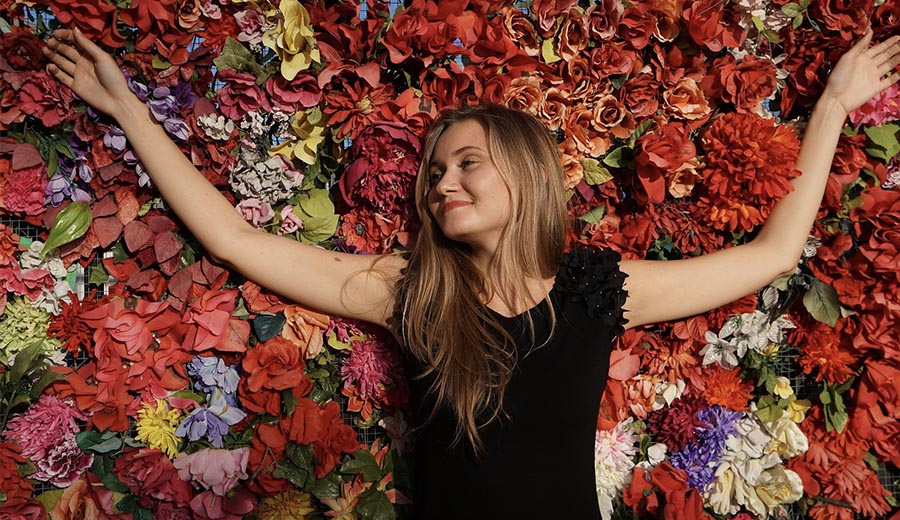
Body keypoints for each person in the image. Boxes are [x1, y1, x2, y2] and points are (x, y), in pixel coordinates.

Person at [43, 26, 900, 519]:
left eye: (466, 165)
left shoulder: (599, 291)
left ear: (523, 176)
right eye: (434, 173)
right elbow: (234, 241)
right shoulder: (409, 292)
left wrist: (830, 105)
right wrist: (126, 107)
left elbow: (773, 256)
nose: (442, 184)